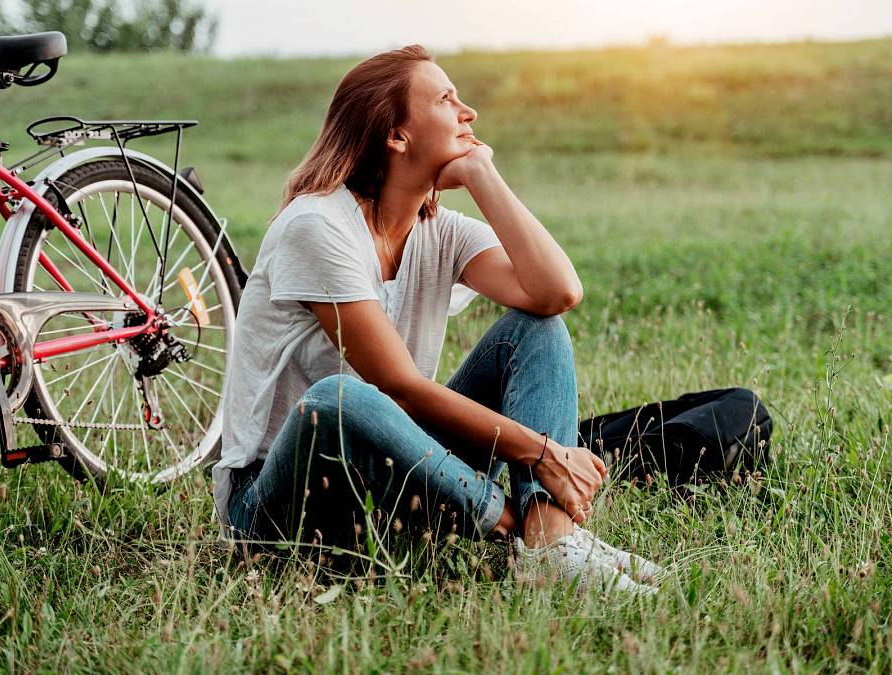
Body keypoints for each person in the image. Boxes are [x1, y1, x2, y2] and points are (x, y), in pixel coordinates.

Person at [213, 44, 663, 595]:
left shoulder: (441, 230)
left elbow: (557, 292)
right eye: (447, 99)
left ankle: (550, 548)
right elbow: (397, 388)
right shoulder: (317, 226)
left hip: (390, 482)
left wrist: (482, 174)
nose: (468, 111)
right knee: (339, 399)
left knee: (534, 330)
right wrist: (543, 453)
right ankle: (523, 528)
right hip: (279, 508)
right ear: (397, 136)